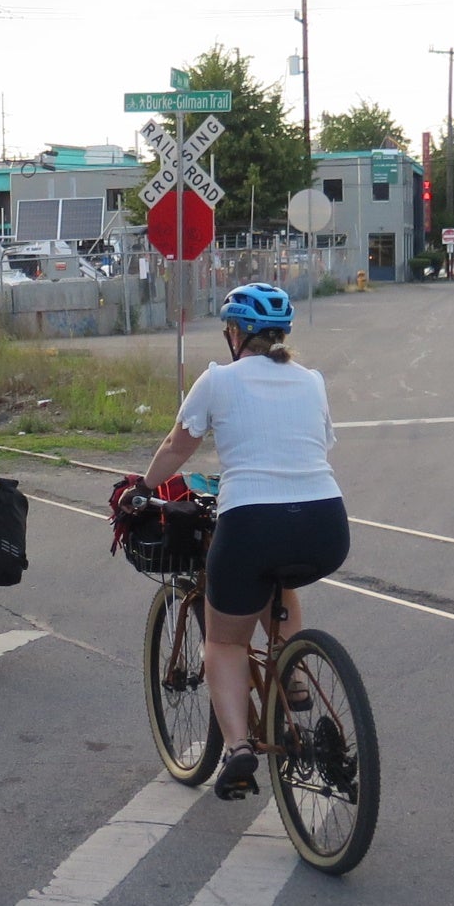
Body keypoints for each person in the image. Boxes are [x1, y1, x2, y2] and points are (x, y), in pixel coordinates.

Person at [123, 281, 346, 803]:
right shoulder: (311, 380)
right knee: (282, 578)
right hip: (325, 525)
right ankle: (291, 674)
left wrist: (143, 490)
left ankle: (239, 750)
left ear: (233, 334)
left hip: (251, 523)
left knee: (224, 642)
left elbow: (179, 445)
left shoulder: (218, 380)